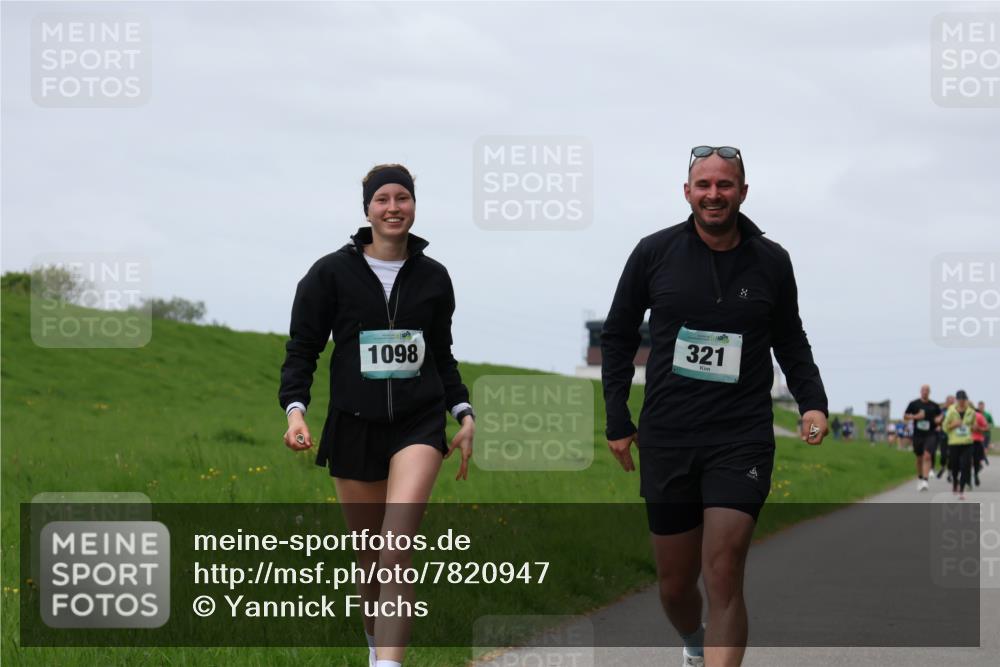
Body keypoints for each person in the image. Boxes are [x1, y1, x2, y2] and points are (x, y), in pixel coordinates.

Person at [601, 145, 828, 667]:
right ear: (687, 192)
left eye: (725, 185)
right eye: (703, 185)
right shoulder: (653, 253)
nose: (714, 194)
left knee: (723, 568)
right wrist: (618, 417)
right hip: (669, 436)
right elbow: (617, 337)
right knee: (675, 585)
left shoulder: (772, 261)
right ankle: (693, 642)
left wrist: (812, 402)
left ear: (743, 193)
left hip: (740, 436)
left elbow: (790, 339)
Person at [278, 164, 475, 667]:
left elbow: (442, 353)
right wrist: (295, 412)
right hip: (353, 423)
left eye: (402, 198)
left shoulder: (434, 277)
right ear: (367, 208)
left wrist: (462, 411)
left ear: (414, 205)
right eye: (383, 199)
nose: (394, 208)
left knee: (395, 548)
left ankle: (389, 664)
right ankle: (375, 651)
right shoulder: (330, 273)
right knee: (369, 565)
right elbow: (303, 350)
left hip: (418, 423)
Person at [902, 385, 942, 491]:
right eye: (923, 390)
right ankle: (920, 478)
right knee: (919, 458)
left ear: (929, 392)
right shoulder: (914, 404)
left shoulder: (934, 405)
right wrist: (915, 417)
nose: (925, 392)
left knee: (927, 455)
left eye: (927, 391)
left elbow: (940, 416)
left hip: (931, 434)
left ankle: (925, 480)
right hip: (918, 435)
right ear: (920, 392)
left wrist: (938, 420)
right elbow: (905, 416)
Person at [944, 390, 976, 500]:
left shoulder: (971, 412)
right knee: (955, 465)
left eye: (964, 399)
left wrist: (974, 428)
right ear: (957, 400)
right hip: (954, 442)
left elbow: (973, 425)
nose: (962, 401)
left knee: (965, 465)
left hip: (967, 443)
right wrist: (953, 425)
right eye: (960, 399)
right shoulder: (951, 411)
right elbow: (945, 427)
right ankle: (955, 483)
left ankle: (961, 490)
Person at [937, 394, 955, 480]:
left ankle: (950, 473)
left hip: (954, 436)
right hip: (943, 434)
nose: (952, 403)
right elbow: (937, 420)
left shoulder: (957, 410)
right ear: (947, 402)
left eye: (953, 401)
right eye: (950, 401)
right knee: (944, 455)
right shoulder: (942, 410)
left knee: (951, 455)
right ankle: (942, 467)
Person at [972, 404, 989, 486]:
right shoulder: (959, 415)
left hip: (977, 441)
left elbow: (987, 427)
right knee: (965, 460)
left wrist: (979, 428)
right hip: (964, 442)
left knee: (976, 461)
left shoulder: (979, 416)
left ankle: (975, 474)